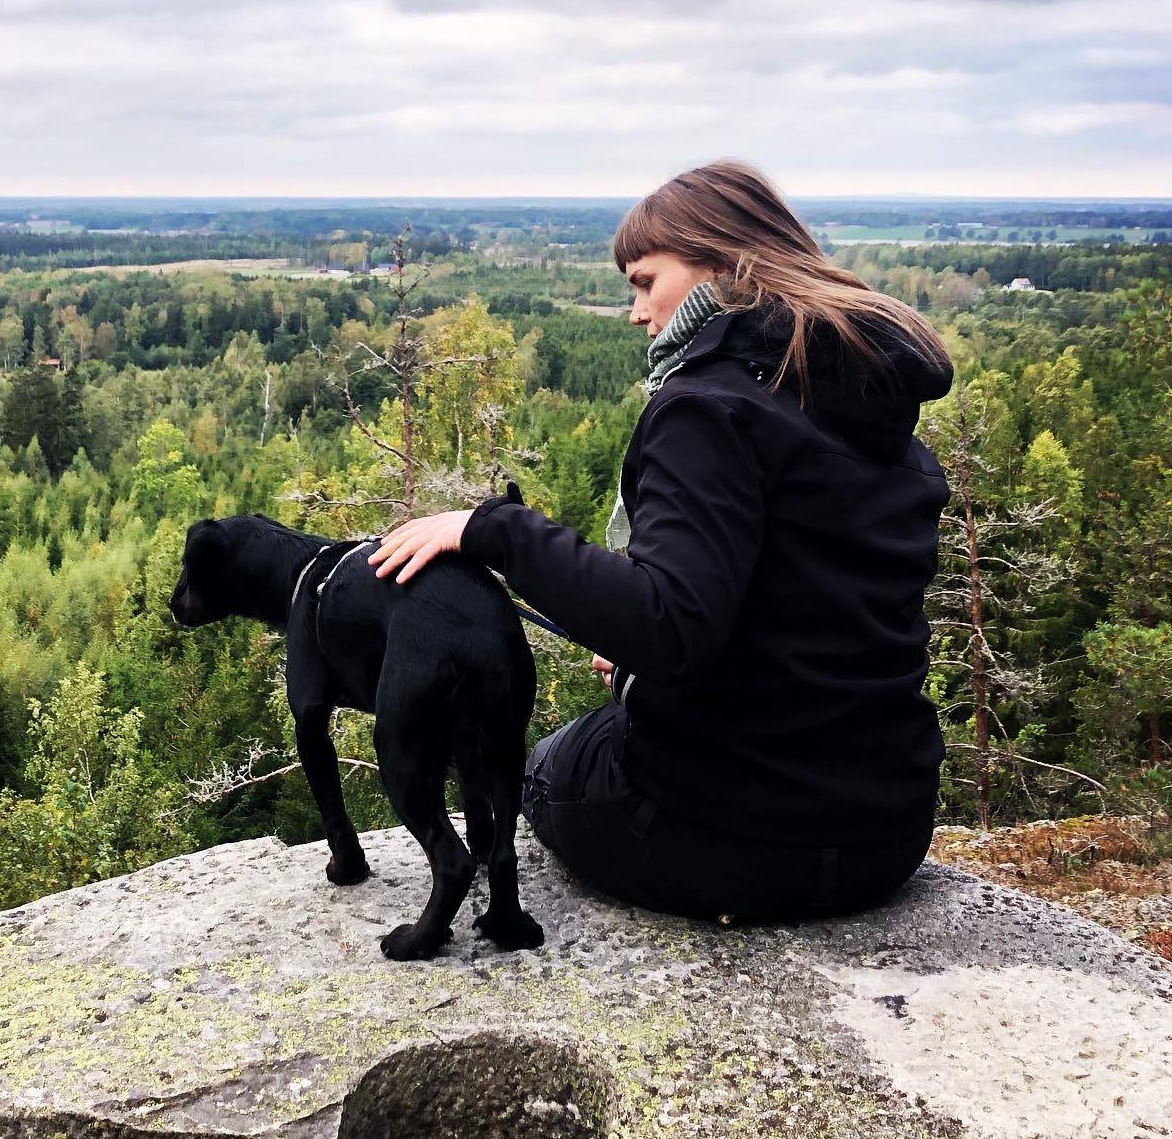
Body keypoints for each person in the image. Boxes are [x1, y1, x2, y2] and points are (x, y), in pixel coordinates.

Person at [367, 160, 954, 924]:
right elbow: (813, 595)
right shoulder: (847, 392)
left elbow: (672, 625)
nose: (637, 311)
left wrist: (491, 529)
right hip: (886, 829)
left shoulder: (708, 407)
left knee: (550, 765)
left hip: (736, 842)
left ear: (720, 261)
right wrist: (649, 623)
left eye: (645, 281)